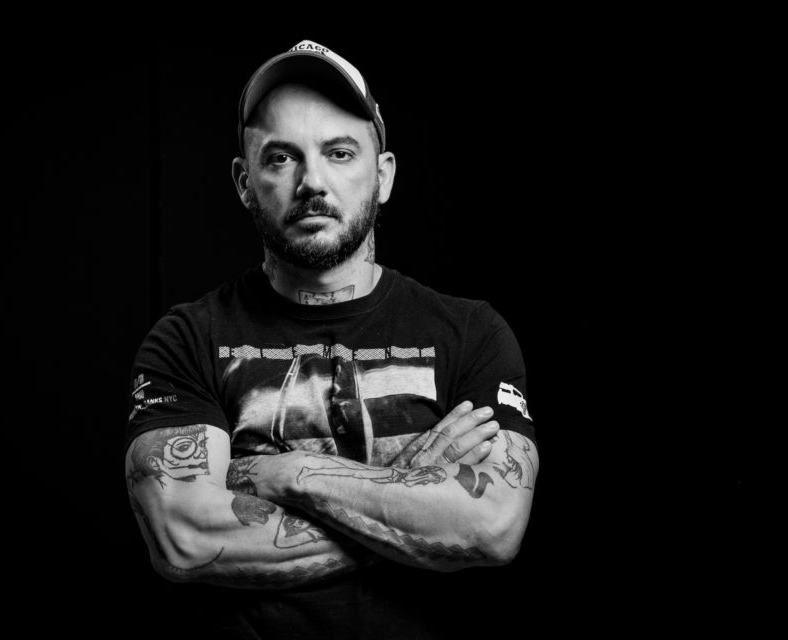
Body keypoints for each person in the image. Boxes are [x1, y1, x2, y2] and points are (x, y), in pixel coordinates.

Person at [125, 40, 539, 639]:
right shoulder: (186, 339)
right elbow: (185, 539)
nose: (312, 181)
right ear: (244, 182)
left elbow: (492, 527)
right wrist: (411, 492)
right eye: (280, 158)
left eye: (339, 153)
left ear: (383, 175)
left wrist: (290, 474)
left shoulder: (471, 333)